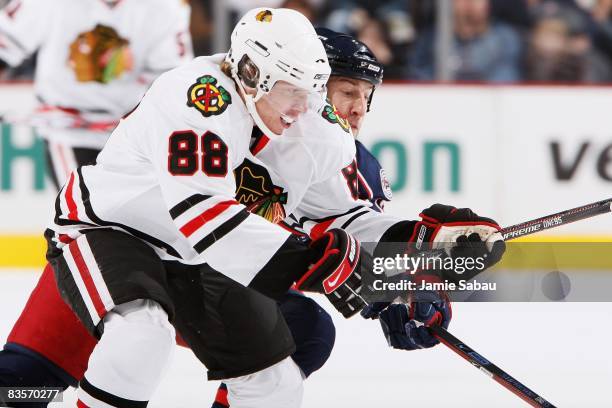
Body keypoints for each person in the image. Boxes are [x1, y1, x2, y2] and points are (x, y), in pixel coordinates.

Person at [0, 20, 506, 408]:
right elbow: (206, 217)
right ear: (257, 73)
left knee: (289, 360)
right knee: (26, 388)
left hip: (209, 266)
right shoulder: (200, 98)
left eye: (363, 96)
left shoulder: (323, 140)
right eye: (344, 90)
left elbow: (344, 227)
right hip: (121, 238)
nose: (352, 109)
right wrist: (339, 271)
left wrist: (417, 252)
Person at [0, 0, 193, 190]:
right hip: (70, 134)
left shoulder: (164, 8)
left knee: (136, 216)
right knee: (83, 212)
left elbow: (172, 85)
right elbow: (4, 48)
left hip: (131, 137)